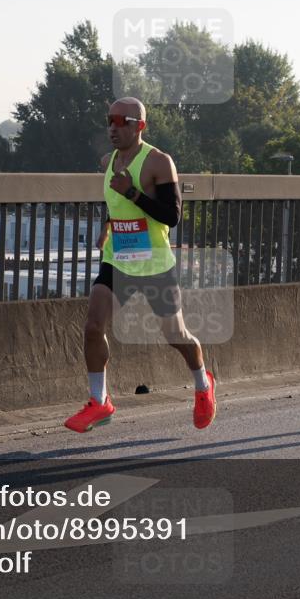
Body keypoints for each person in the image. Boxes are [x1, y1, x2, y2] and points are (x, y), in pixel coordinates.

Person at [64, 97, 217, 433]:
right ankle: (99, 400)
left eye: (122, 121)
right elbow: (116, 201)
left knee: (175, 335)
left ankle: (203, 384)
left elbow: (172, 216)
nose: (113, 128)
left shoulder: (160, 162)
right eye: (110, 120)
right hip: (118, 258)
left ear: (140, 126)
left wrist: (133, 193)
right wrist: (107, 224)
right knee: (93, 326)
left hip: (154, 264)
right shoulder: (108, 161)